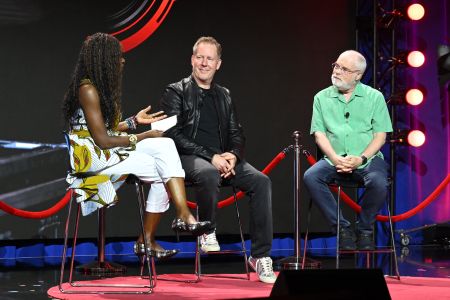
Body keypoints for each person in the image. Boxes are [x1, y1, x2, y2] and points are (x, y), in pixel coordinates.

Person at [62, 33, 210, 260]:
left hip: (105, 151)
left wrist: (133, 122)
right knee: (163, 160)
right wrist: (142, 135)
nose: (123, 60)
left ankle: (165, 227)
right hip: (94, 158)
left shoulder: (94, 87)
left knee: (164, 151)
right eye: (118, 56)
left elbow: (102, 129)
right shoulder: (87, 90)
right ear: (103, 59)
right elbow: (102, 140)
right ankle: (164, 227)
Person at [159, 36, 276, 283]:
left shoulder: (224, 95)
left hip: (222, 158)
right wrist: (210, 156)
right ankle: (207, 230)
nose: (204, 63)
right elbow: (171, 134)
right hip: (187, 157)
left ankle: (260, 256)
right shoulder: (175, 91)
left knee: (261, 181)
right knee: (208, 172)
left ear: (218, 64)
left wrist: (233, 155)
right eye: (199, 57)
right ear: (192, 59)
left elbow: (236, 132)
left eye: (209, 59)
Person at [303, 50, 393, 250]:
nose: (337, 71)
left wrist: (361, 159)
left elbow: (380, 135)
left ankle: (365, 229)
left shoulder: (374, 97)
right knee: (311, 176)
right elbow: (319, 134)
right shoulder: (321, 98)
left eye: (344, 69)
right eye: (336, 66)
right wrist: (335, 159)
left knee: (379, 182)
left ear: (357, 75)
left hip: (366, 158)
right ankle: (342, 229)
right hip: (334, 159)